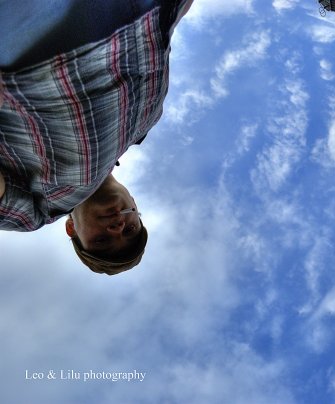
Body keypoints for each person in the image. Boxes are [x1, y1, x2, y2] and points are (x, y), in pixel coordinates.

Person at [0, 0, 193, 274]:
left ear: (72, 229)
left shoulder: (37, 213)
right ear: (135, 205)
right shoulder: (145, 124)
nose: (117, 227)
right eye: (130, 229)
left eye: (102, 240)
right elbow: (163, 35)